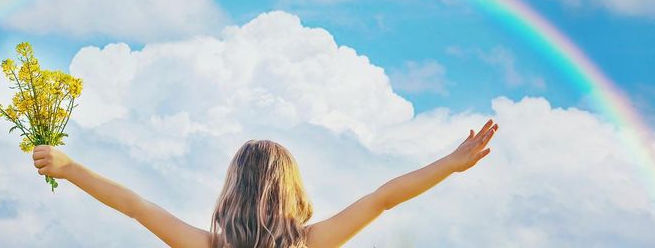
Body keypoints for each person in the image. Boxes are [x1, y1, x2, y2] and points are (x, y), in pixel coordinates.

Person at [32, 119, 499, 247]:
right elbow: (383, 199)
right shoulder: (313, 243)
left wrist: (71, 168)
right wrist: (451, 163)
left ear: (232, 191)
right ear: (293, 191)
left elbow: (135, 205)